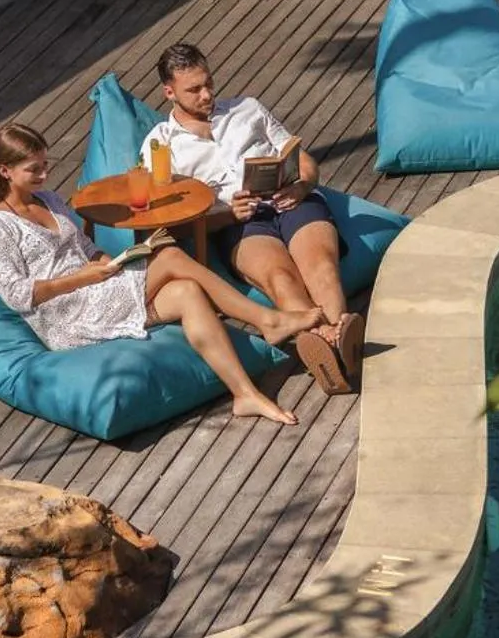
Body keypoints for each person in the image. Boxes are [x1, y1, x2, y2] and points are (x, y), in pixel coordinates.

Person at [0, 123, 320, 426]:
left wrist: (112, 261)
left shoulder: (48, 199)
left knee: (187, 292)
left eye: (45, 165)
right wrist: (84, 278)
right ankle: (268, 321)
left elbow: (83, 245)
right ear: (5, 171)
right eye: (33, 170)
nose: (44, 175)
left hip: (96, 286)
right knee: (169, 256)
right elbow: (16, 294)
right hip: (63, 313)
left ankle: (245, 394)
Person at [141, 43, 362, 395]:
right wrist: (227, 214)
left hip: (292, 199)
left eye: (209, 83)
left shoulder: (247, 109)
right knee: (280, 277)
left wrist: (302, 187)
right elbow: (172, 224)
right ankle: (335, 346)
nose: (207, 94)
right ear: (169, 92)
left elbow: (303, 160)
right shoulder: (161, 147)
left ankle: (330, 345)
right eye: (194, 89)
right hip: (239, 222)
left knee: (321, 264)